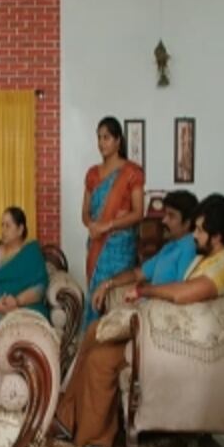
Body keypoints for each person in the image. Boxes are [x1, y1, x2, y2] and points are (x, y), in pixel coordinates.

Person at [54, 194, 224, 447]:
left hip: (176, 339)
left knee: (100, 353)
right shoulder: (204, 259)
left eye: (199, 230)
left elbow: (183, 294)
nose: (194, 236)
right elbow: (150, 276)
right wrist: (115, 285)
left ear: (216, 236)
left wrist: (143, 292)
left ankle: (91, 436)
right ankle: (69, 420)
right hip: (162, 328)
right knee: (96, 338)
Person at [89, 190, 200, 313]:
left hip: (161, 311)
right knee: (101, 315)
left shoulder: (189, 248)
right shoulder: (170, 246)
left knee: (100, 324)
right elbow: (137, 273)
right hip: (146, 305)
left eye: (171, 216)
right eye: (166, 214)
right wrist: (107, 284)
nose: (164, 220)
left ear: (187, 223)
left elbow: (179, 290)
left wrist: (142, 292)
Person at [82, 117, 145, 327]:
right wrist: (92, 226)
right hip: (96, 245)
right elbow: (85, 213)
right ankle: (92, 339)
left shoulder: (132, 172)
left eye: (106, 137)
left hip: (120, 248)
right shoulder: (92, 174)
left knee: (114, 297)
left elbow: (138, 213)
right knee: (94, 296)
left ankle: (114, 340)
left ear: (118, 141)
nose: (101, 143)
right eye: (99, 138)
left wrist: (107, 226)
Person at [0, 207, 50, 348]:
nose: (3, 230)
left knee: (32, 327)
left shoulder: (32, 253)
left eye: (8, 226)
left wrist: (17, 301)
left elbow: (40, 286)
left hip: (26, 307)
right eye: (2, 225)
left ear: (20, 229)